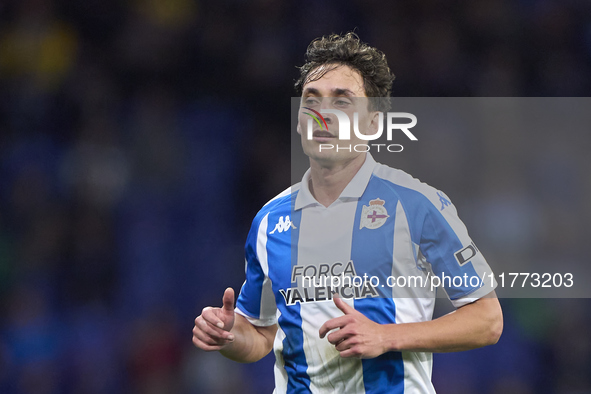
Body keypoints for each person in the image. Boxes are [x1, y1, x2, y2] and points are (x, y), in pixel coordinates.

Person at [192, 32, 503, 393]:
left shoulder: (417, 204)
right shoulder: (269, 220)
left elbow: (487, 320)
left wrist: (386, 337)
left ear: (372, 124)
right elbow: (260, 334)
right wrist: (228, 334)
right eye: (312, 100)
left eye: (342, 102)